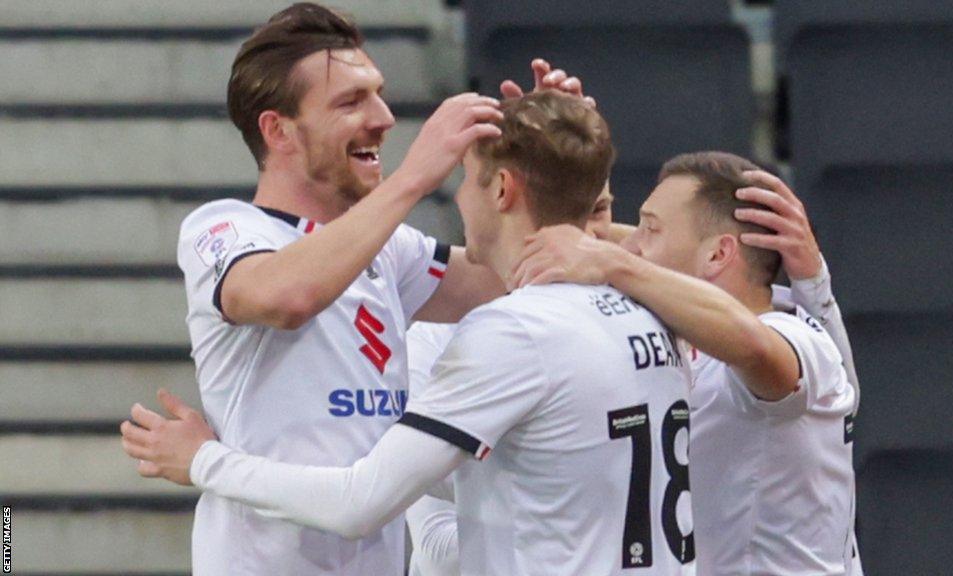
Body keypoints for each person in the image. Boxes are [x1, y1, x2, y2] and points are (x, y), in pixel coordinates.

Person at [123, 90, 718, 575]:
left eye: (466, 178)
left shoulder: (512, 334)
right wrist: (567, 145)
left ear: (504, 190)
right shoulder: (653, 308)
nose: (458, 196)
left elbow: (361, 502)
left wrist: (204, 461)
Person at [119, 3, 589, 574]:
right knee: (5, 545)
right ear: (279, 130)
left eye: (379, 93)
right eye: (351, 102)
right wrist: (417, 175)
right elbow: (287, 298)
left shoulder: (390, 249)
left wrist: (557, 169)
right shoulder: (224, 228)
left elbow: (524, 271)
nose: (385, 117)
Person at [513, 151, 862, 575]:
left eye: (650, 228)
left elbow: (755, 348)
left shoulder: (795, 336)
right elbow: (604, 245)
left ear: (718, 256)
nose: (630, 244)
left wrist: (616, 264)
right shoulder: (693, 333)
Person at [403, 182, 618, 576]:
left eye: (601, 210)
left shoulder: (631, 327)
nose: (585, 237)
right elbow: (433, 546)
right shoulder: (437, 339)